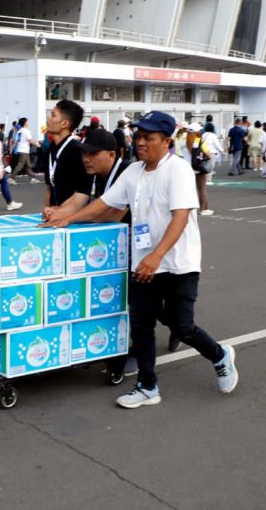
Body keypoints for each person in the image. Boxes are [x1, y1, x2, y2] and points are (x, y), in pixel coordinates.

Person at [43, 111, 238, 409]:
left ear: (166, 141)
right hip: (143, 263)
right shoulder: (133, 172)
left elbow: (181, 217)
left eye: (149, 138)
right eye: (138, 136)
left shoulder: (179, 170)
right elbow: (103, 206)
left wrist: (157, 256)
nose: (141, 142)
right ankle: (148, 386)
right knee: (142, 325)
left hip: (177, 264)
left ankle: (220, 355)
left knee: (182, 326)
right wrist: (66, 219)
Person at [41, 128, 129, 225]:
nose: (86, 159)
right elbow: (77, 201)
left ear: (111, 155)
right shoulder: (92, 172)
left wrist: (69, 217)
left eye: (92, 153)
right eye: (84, 153)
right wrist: (58, 212)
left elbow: (114, 214)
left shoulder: (127, 171)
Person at [43, 99, 92, 210]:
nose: (48, 118)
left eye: (53, 115)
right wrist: (47, 210)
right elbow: (49, 187)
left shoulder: (77, 150)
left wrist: (60, 211)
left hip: (73, 218)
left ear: (64, 123)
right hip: (54, 216)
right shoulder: (51, 148)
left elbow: (83, 192)